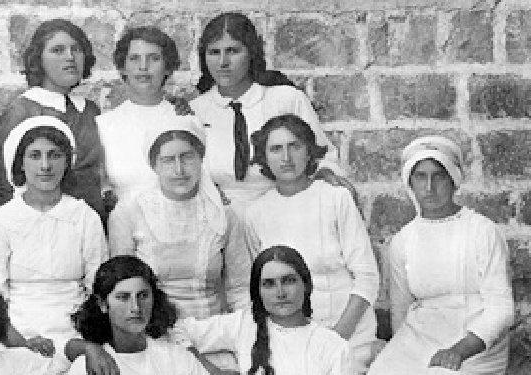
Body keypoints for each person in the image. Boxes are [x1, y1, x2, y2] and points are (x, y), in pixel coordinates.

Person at [244, 114, 380, 373]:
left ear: (309, 152)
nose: (286, 157)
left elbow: (367, 278)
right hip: (290, 339)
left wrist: (334, 338)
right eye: (276, 149)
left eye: (294, 146)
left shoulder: (335, 199)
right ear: (264, 157)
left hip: (347, 334)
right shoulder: (255, 213)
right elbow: (261, 288)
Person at [368, 136, 514, 374]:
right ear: (410, 183)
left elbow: (501, 309)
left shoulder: (482, 231)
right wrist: (400, 354)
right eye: (420, 177)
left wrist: (458, 350)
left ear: (453, 180)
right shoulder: (403, 241)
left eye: (439, 176)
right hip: (421, 337)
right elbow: (401, 311)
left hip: (476, 344)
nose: (429, 187)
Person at [0, 116, 108, 358]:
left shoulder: (84, 217)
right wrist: (22, 343)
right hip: (15, 334)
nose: (45, 166)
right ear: (21, 164)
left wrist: (83, 339)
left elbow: (97, 288)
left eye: (55, 155)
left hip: (77, 331)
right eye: (35, 156)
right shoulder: (0, 222)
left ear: (67, 162)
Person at [189, 12, 350, 208]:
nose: (223, 62)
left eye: (233, 51)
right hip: (221, 215)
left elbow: (322, 157)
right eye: (214, 52)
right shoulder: (195, 111)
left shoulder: (285, 100)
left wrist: (326, 174)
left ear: (251, 53)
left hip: (283, 209)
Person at [108, 117, 250, 319]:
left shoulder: (223, 214)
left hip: (214, 329)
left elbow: (240, 289)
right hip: (154, 332)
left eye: (187, 157)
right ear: (154, 165)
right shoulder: (128, 214)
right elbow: (121, 289)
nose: (179, 170)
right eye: (167, 160)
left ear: (201, 158)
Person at [173, 245, 351, 375]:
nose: (280, 293)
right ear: (258, 292)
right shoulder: (244, 325)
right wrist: (212, 370)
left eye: (288, 280)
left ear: (305, 284)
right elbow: (177, 331)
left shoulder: (333, 346)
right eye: (269, 284)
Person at [0, 18, 104, 219]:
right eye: (57, 50)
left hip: (93, 224)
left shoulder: (90, 110)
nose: (70, 57)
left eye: (76, 49)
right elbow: (7, 185)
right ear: (39, 60)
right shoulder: (22, 110)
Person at [97, 26, 196, 204]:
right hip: (126, 224)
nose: (143, 67)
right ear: (123, 68)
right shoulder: (104, 125)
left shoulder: (185, 119)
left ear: (168, 68)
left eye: (154, 59)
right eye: (134, 59)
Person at [67, 256, 209, 375]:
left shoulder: (177, 358)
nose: (136, 307)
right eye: (123, 297)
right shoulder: (89, 367)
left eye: (143, 296)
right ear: (103, 304)